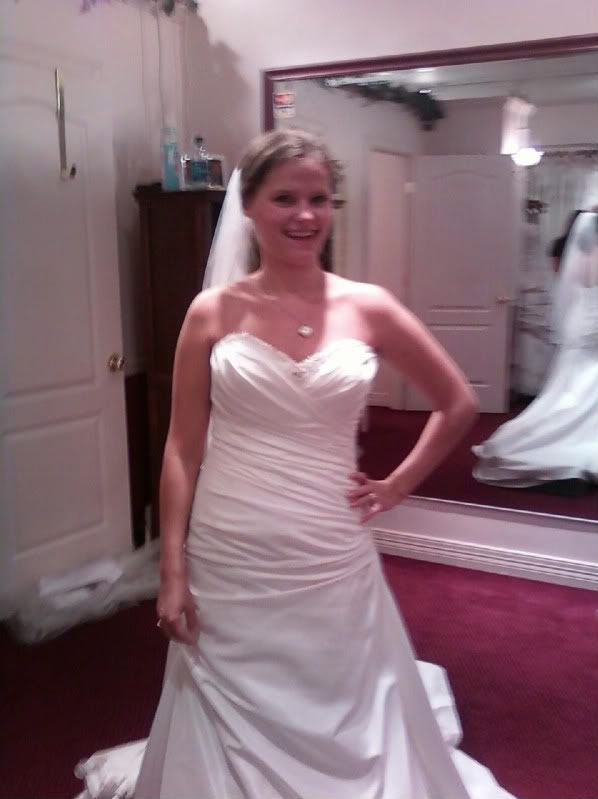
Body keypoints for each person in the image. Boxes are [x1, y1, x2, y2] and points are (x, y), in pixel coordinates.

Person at [75, 129, 517, 799]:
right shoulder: (213, 312)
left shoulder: (368, 306)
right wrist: (172, 567)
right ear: (249, 207)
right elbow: (182, 447)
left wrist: (398, 484)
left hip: (328, 543)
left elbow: (457, 402)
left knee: (338, 687)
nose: (305, 215)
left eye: (319, 198)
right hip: (231, 543)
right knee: (225, 688)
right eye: (285, 198)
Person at [473, 210, 598, 489]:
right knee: (585, 385)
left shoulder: (581, 251)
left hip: (583, 318)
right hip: (593, 325)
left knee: (575, 384)